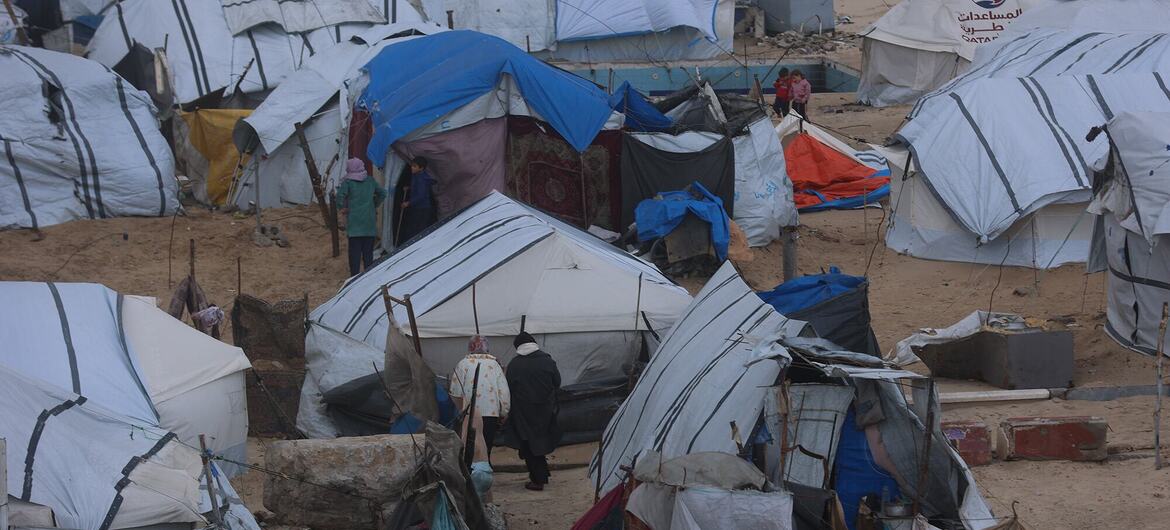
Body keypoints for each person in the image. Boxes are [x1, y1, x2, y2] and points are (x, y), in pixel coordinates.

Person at [504, 332, 562, 491]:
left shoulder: (515, 364)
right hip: (545, 410)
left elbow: (508, 388)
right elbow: (557, 382)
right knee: (540, 443)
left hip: (522, 412)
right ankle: (541, 476)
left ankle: (538, 480)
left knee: (529, 446)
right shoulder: (548, 361)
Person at [448, 335, 510, 457]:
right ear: (487, 348)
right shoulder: (494, 365)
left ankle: (470, 472)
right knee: (486, 446)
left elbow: (455, 391)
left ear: (470, 348)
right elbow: (504, 392)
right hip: (491, 413)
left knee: (469, 446)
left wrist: (461, 409)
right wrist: (504, 412)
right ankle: (485, 469)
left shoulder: (462, 364)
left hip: (469, 414)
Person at [337, 158, 386, 276]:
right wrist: (374, 204)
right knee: (368, 252)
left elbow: (339, 197)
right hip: (369, 222)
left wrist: (342, 208)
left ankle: (354, 276)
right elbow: (383, 193)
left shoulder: (348, 182)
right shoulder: (370, 180)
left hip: (354, 223)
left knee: (354, 252)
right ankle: (367, 276)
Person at [398, 156, 436, 243]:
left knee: (417, 231)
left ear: (421, 168)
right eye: (412, 165)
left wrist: (408, 203)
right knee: (413, 229)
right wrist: (410, 188)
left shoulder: (422, 179)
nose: (412, 167)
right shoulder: (416, 175)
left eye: (415, 166)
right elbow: (418, 188)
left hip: (422, 209)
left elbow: (421, 195)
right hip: (417, 207)